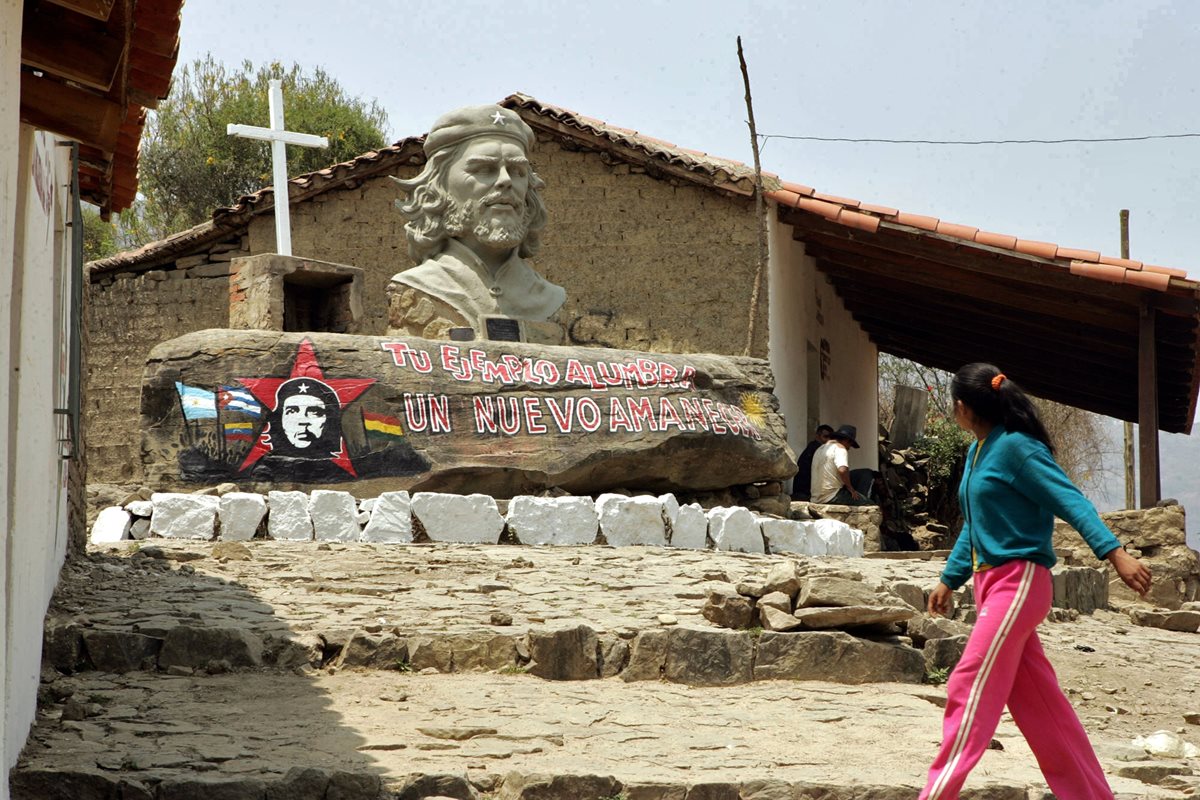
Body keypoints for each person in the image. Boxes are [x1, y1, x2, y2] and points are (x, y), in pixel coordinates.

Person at [919, 363, 1151, 800]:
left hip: (1020, 582)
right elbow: (976, 522)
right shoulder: (978, 451)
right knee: (1041, 709)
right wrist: (949, 579)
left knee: (967, 683)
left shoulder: (1018, 448)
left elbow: (1070, 500)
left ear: (963, 407)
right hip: (990, 585)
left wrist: (1114, 552)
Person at [387, 104, 566, 341]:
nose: (505, 181)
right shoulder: (417, 288)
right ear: (440, 186)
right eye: (484, 169)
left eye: (517, 171)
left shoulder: (551, 299)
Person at [266, 377, 342, 459]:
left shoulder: (341, 469)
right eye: (292, 411)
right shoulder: (257, 468)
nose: (303, 421)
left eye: (314, 412)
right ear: (279, 419)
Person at [810, 424, 873, 505]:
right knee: (869, 504)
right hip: (832, 496)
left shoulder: (820, 449)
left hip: (816, 498)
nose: (849, 448)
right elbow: (843, 470)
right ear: (847, 440)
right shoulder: (840, 448)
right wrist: (850, 489)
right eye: (850, 444)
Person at [791, 423, 834, 500]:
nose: (828, 440)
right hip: (806, 492)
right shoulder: (817, 449)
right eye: (825, 437)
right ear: (817, 436)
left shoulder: (814, 447)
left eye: (830, 438)